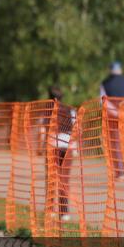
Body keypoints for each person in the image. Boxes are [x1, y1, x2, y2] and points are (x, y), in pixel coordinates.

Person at [100, 61, 124, 178]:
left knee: (116, 143)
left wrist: (116, 113)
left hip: (113, 118)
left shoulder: (105, 83)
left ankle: (120, 171)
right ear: (121, 70)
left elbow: (103, 101)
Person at [48, 86, 76, 221]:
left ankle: (50, 210)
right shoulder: (70, 110)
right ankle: (64, 213)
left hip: (53, 146)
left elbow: (43, 130)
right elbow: (76, 130)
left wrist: (41, 148)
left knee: (52, 178)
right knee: (64, 180)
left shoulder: (48, 111)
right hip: (67, 146)